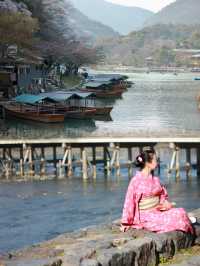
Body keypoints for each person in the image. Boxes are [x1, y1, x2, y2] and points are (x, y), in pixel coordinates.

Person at [121, 149, 194, 234]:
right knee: (177, 220)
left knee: (180, 212)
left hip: (157, 210)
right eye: (156, 160)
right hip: (146, 216)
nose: (157, 162)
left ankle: (186, 220)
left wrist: (164, 202)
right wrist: (126, 222)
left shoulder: (155, 179)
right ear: (148, 163)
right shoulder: (135, 180)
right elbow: (129, 202)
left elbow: (162, 195)